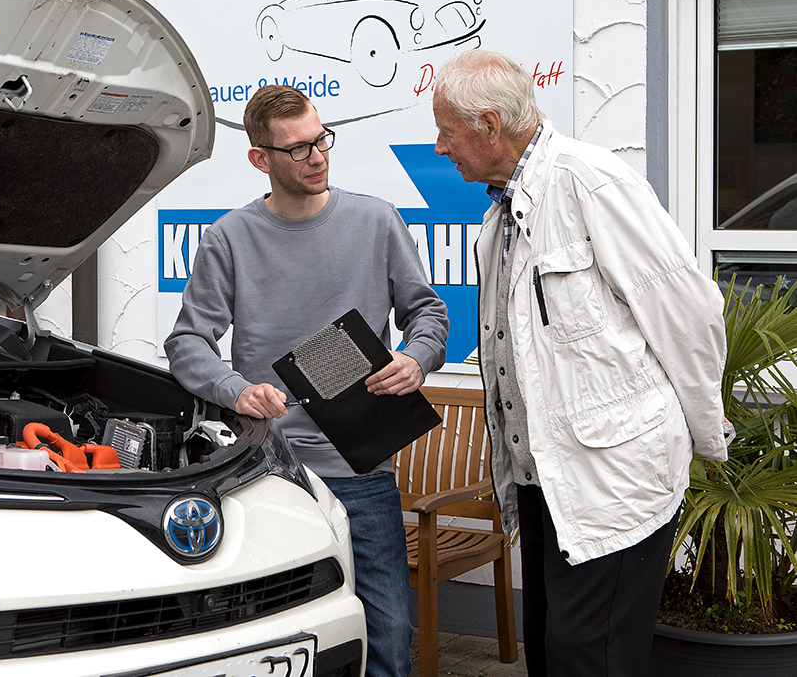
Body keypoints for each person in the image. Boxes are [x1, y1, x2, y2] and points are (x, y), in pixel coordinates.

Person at [430, 49, 729, 676]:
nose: (439, 147)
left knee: (587, 660)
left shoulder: (589, 180)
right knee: (549, 651)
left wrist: (704, 436)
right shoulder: (502, 212)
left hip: (615, 479)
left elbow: (689, 312)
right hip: (548, 480)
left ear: (488, 125)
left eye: (446, 131)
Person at [165, 84, 449, 677]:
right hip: (268, 473)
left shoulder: (375, 220)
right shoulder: (229, 238)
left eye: (321, 139)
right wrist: (235, 389)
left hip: (360, 471)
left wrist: (417, 357)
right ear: (259, 158)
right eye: (297, 149)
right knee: (270, 639)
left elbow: (428, 312)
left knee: (391, 635)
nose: (317, 155)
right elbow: (188, 343)